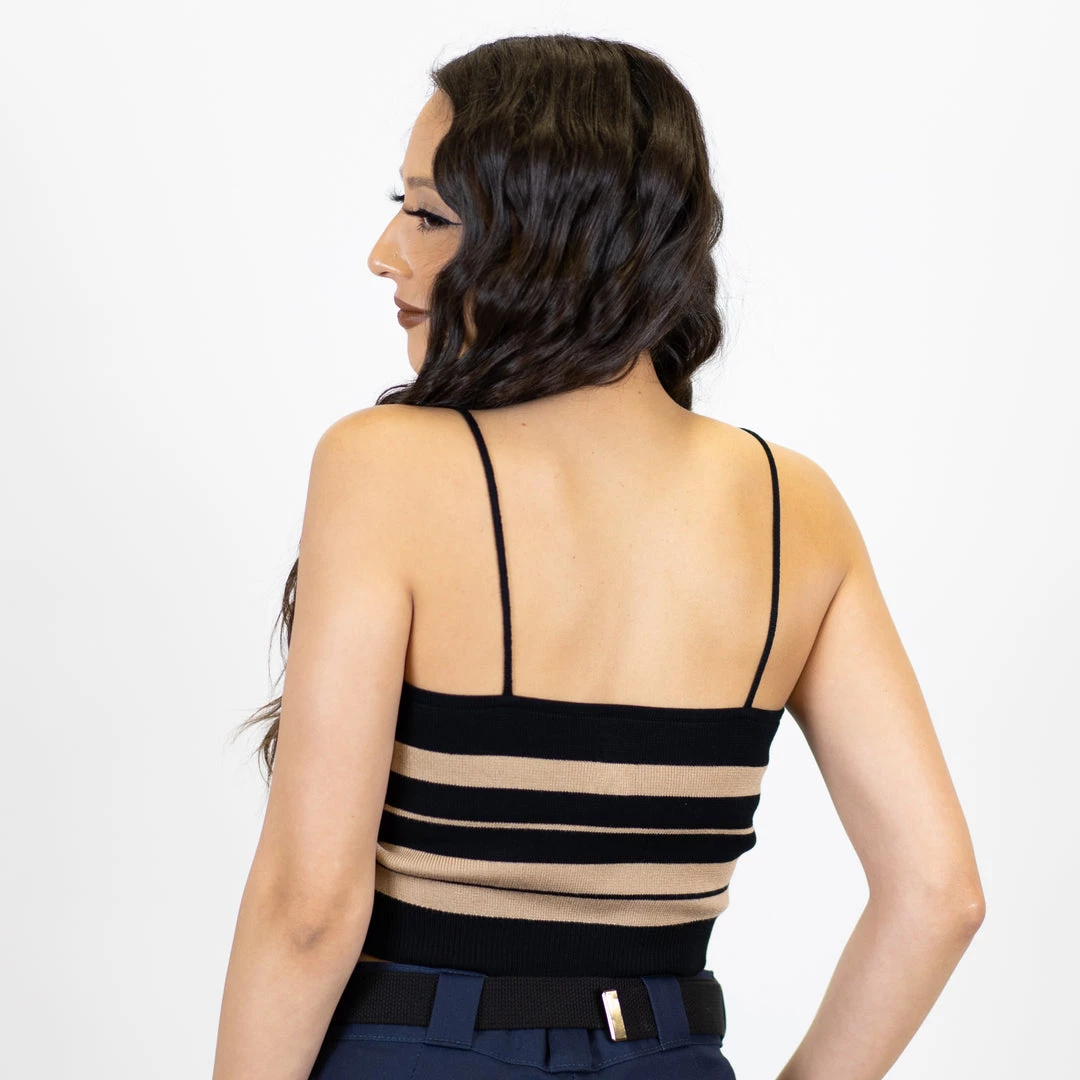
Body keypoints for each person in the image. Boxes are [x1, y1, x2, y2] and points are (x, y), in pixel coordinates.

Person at [213, 34, 984, 1080]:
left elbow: (308, 909)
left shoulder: (384, 466)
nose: (385, 252)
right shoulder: (794, 506)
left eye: (429, 214)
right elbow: (938, 894)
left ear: (546, 233)